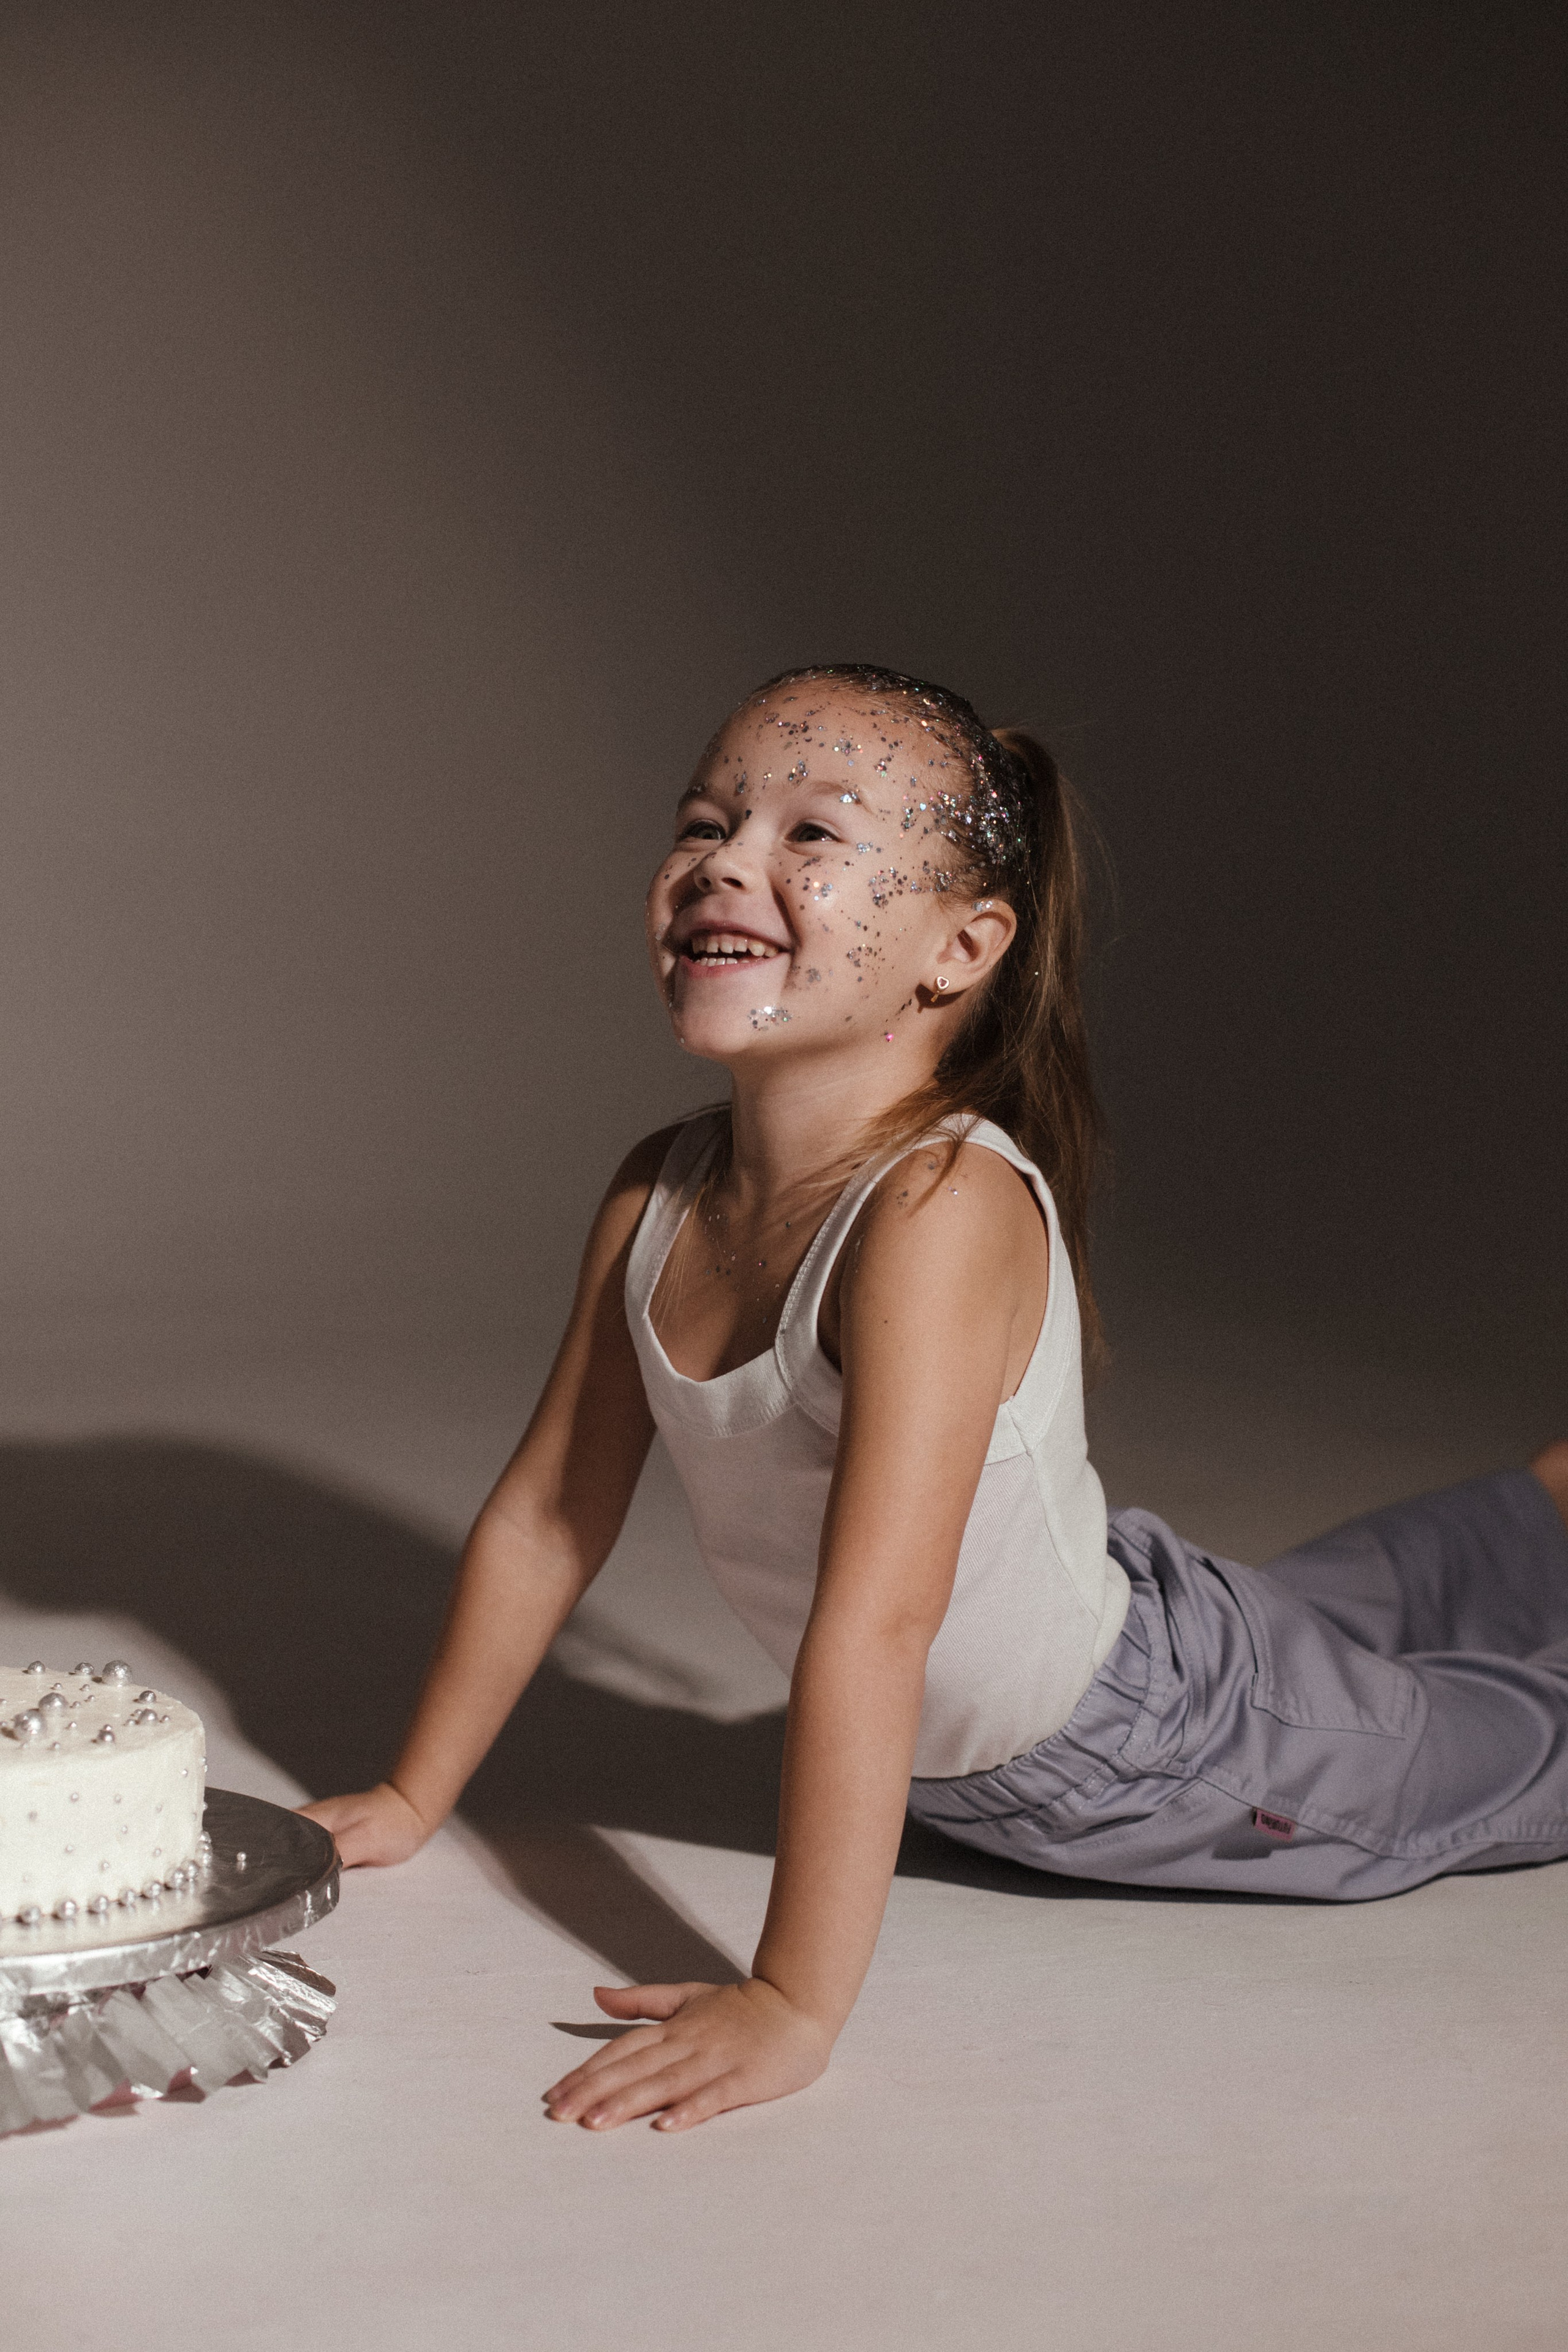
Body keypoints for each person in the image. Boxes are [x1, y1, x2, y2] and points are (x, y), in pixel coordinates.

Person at [302, 663, 1568, 2134]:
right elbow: (544, 1519)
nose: (724, 860)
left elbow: (879, 1623)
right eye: (705, 821)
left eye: (810, 836)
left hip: (1147, 1747)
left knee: (1476, 1738)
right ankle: (1534, 1509)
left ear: (958, 948)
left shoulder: (935, 1207)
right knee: (1336, 1614)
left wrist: (791, 1999)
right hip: (1126, 1632)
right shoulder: (658, 1189)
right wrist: (412, 1795)